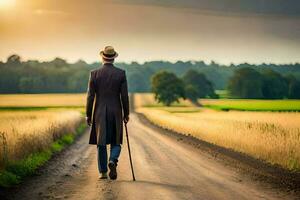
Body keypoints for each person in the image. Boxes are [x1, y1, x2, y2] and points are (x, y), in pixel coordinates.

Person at [86, 46, 129, 180]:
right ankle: (113, 160)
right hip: (116, 111)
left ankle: (103, 172)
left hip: (99, 111)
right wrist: (126, 113)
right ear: (114, 58)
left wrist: (88, 114)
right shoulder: (121, 73)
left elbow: (90, 96)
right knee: (116, 141)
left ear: (102, 57)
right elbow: (124, 96)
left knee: (101, 142)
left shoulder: (94, 74)